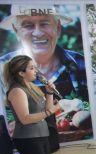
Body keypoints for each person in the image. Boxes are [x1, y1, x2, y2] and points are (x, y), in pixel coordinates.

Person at [0, 4, 90, 145]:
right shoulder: (2, 68)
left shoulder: (80, 63)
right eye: (28, 25)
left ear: (58, 28)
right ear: (16, 31)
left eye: (45, 23)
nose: (38, 33)